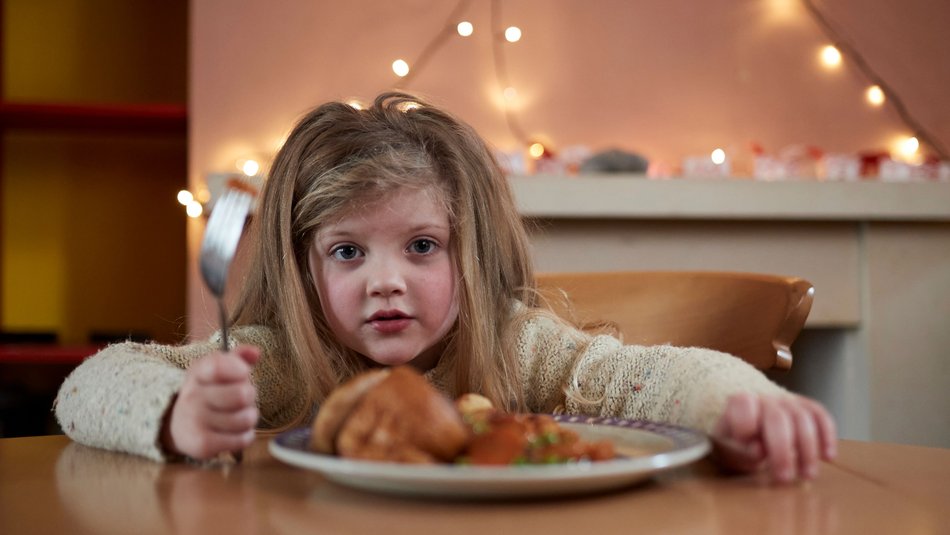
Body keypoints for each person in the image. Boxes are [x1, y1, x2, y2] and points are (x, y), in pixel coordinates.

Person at [55, 91, 836, 483]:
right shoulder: (278, 361)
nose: (384, 283)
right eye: (347, 252)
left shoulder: (517, 347)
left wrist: (737, 404)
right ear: (301, 266)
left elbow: (656, 376)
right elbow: (93, 381)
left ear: (475, 252)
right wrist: (177, 416)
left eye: (422, 246)